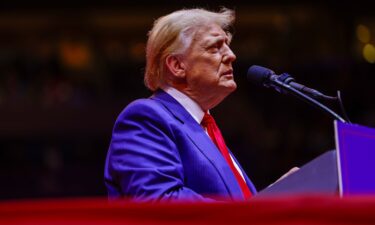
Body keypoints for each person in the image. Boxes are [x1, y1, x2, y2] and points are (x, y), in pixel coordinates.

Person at [104, 7, 257, 202]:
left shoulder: (205, 127)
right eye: (215, 47)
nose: (231, 55)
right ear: (177, 66)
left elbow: (241, 205)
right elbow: (160, 201)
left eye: (227, 45)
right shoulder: (146, 118)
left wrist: (275, 194)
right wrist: (241, 218)